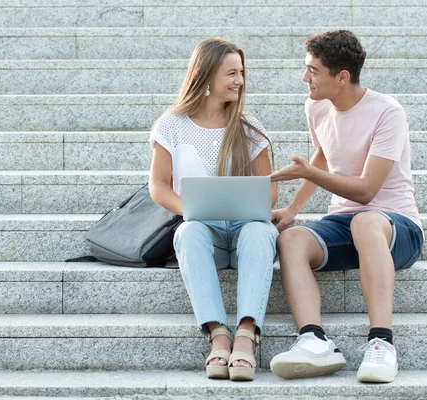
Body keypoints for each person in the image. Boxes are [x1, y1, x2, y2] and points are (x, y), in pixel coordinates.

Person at [268, 30, 424, 383]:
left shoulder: (387, 112)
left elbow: (367, 191)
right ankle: (314, 341)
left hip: (396, 227)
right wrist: (292, 210)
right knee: (291, 240)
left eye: (313, 71)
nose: (303, 77)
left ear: (341, 77)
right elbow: (322, 157)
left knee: (365, 221)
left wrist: (308, 173)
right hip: (346, 224)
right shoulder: (316, 105)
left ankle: (382, 343)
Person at [148, 38, 278, 382]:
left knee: (260, 231)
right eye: (231, 73)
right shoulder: (171, 125)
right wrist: (190, 210)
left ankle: (247, 335)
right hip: (205, 235)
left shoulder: (250, 128)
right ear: (206, 76)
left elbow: (270, 190)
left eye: (241, 73)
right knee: (187, 231)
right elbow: (158, 186)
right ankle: (218, 333)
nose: (240, 80)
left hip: (245, 230)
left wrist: (253, 205)